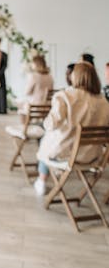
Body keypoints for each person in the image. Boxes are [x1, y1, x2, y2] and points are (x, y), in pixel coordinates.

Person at [34, 62, 109, 196]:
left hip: (65, 154)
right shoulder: (103, 102)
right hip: (92, 156)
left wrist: (46, 122)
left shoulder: (66, 96)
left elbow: (51, 124)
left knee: (47, 139)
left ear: (75, 77)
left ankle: (42, 180)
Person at [18, 56, 54, 122]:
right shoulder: (50, 76)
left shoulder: (34, 76)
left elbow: (27, 92)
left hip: (35, 106)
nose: (31, 65)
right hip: (48, 106)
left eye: (32, 63)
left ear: (36, 64)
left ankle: (25, 124)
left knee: (20, 103)